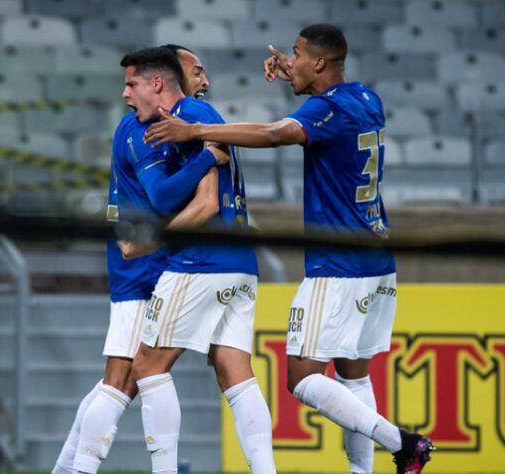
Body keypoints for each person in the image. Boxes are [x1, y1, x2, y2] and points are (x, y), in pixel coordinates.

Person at [143, 24, 436, 474]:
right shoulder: (366, 100)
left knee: (302, 379)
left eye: (297, 54)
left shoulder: (324, 111)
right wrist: (299, 78)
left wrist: (195, 129)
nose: (288, 59)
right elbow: (324, 115)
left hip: (337, 264)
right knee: (353, 376)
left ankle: (402, 442)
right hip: (379, 258)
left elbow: (279, 132)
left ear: (319, 61)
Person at [51, 49, 230, 474]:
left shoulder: (146, 125)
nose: (125, 93)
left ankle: (66, 469)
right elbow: (162, 197)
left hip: (136, 264)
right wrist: (208, 156)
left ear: (156, 82)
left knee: (119, 383)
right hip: (142, 267)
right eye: (128, 84)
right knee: (124, 382)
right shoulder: (141, 130)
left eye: (130, 84)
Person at [120, 47, 277, 474]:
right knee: (235, 374)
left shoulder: (189, 116)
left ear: (159, 81)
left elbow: (198, 202)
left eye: (131, 84)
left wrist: (151, 241)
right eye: (198, 71)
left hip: (201, 262)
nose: (204, 79)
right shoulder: (202, 119)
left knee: (147, 367)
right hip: (241, 263)